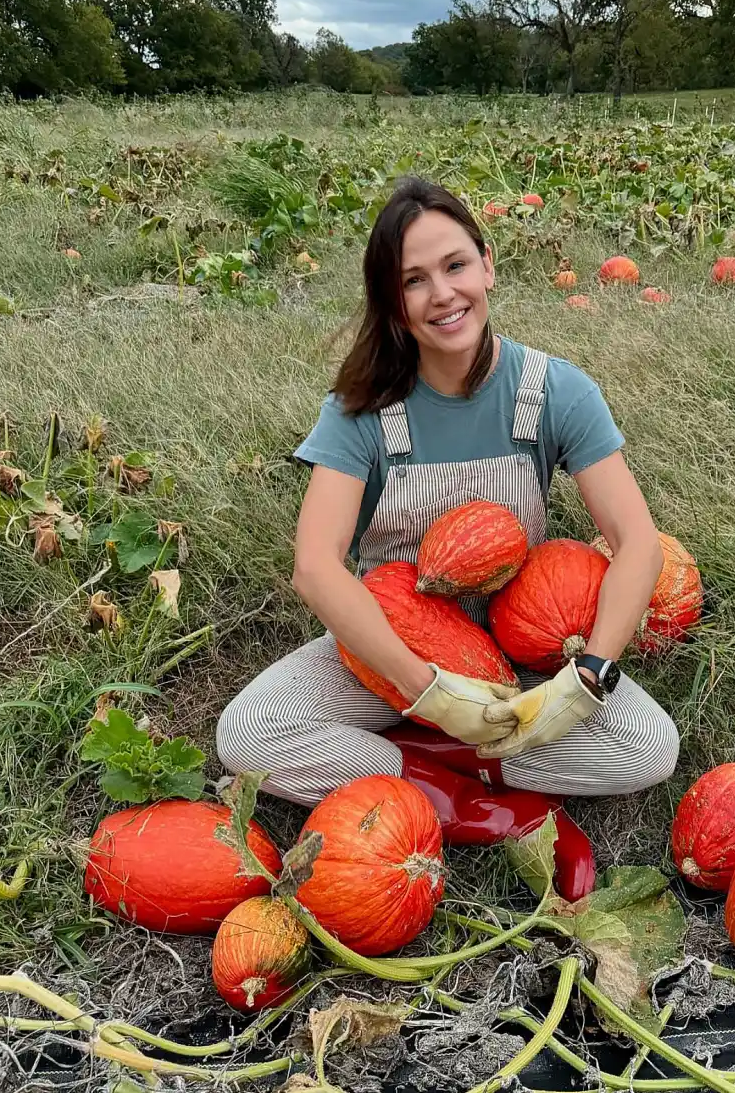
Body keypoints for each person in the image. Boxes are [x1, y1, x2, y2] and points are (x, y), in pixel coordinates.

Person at [217, 178, 679, 901]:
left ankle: (410, 756)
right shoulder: (362, 410)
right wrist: (420, 688)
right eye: (414, 280)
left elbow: (638, 543)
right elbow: (316, 567)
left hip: (515, 654)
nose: (442, 294)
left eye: (455, 266)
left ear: (488, 265)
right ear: (393, 303)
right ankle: (464, 797)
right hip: (385, 651)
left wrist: (589, 677)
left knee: (649, 748)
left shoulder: (554, 391)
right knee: (247, 733)